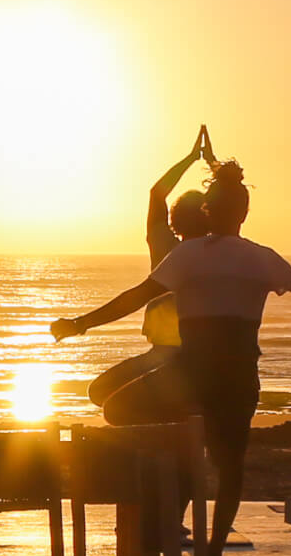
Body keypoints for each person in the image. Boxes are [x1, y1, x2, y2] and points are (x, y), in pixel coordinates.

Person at [53, 161, 291, 556]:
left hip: (190, 374)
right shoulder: (261, 258)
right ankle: (212, 548)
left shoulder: (189, 254)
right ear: (244, 212)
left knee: (122, 411)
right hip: (236, 376)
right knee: (228, 466)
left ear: (208, 212)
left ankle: (172, 487)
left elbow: (135, 296)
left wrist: (81, 324)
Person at [90, 127, 215, 411]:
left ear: (175, 219)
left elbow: (157, 193)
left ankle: (176, 417)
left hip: (176, 354)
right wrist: (213, 164)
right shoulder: (219, 249)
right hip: (176, 353)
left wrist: (192, 158)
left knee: (102, 394)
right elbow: (229, 204)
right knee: (105, 392)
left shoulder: (167, 245)